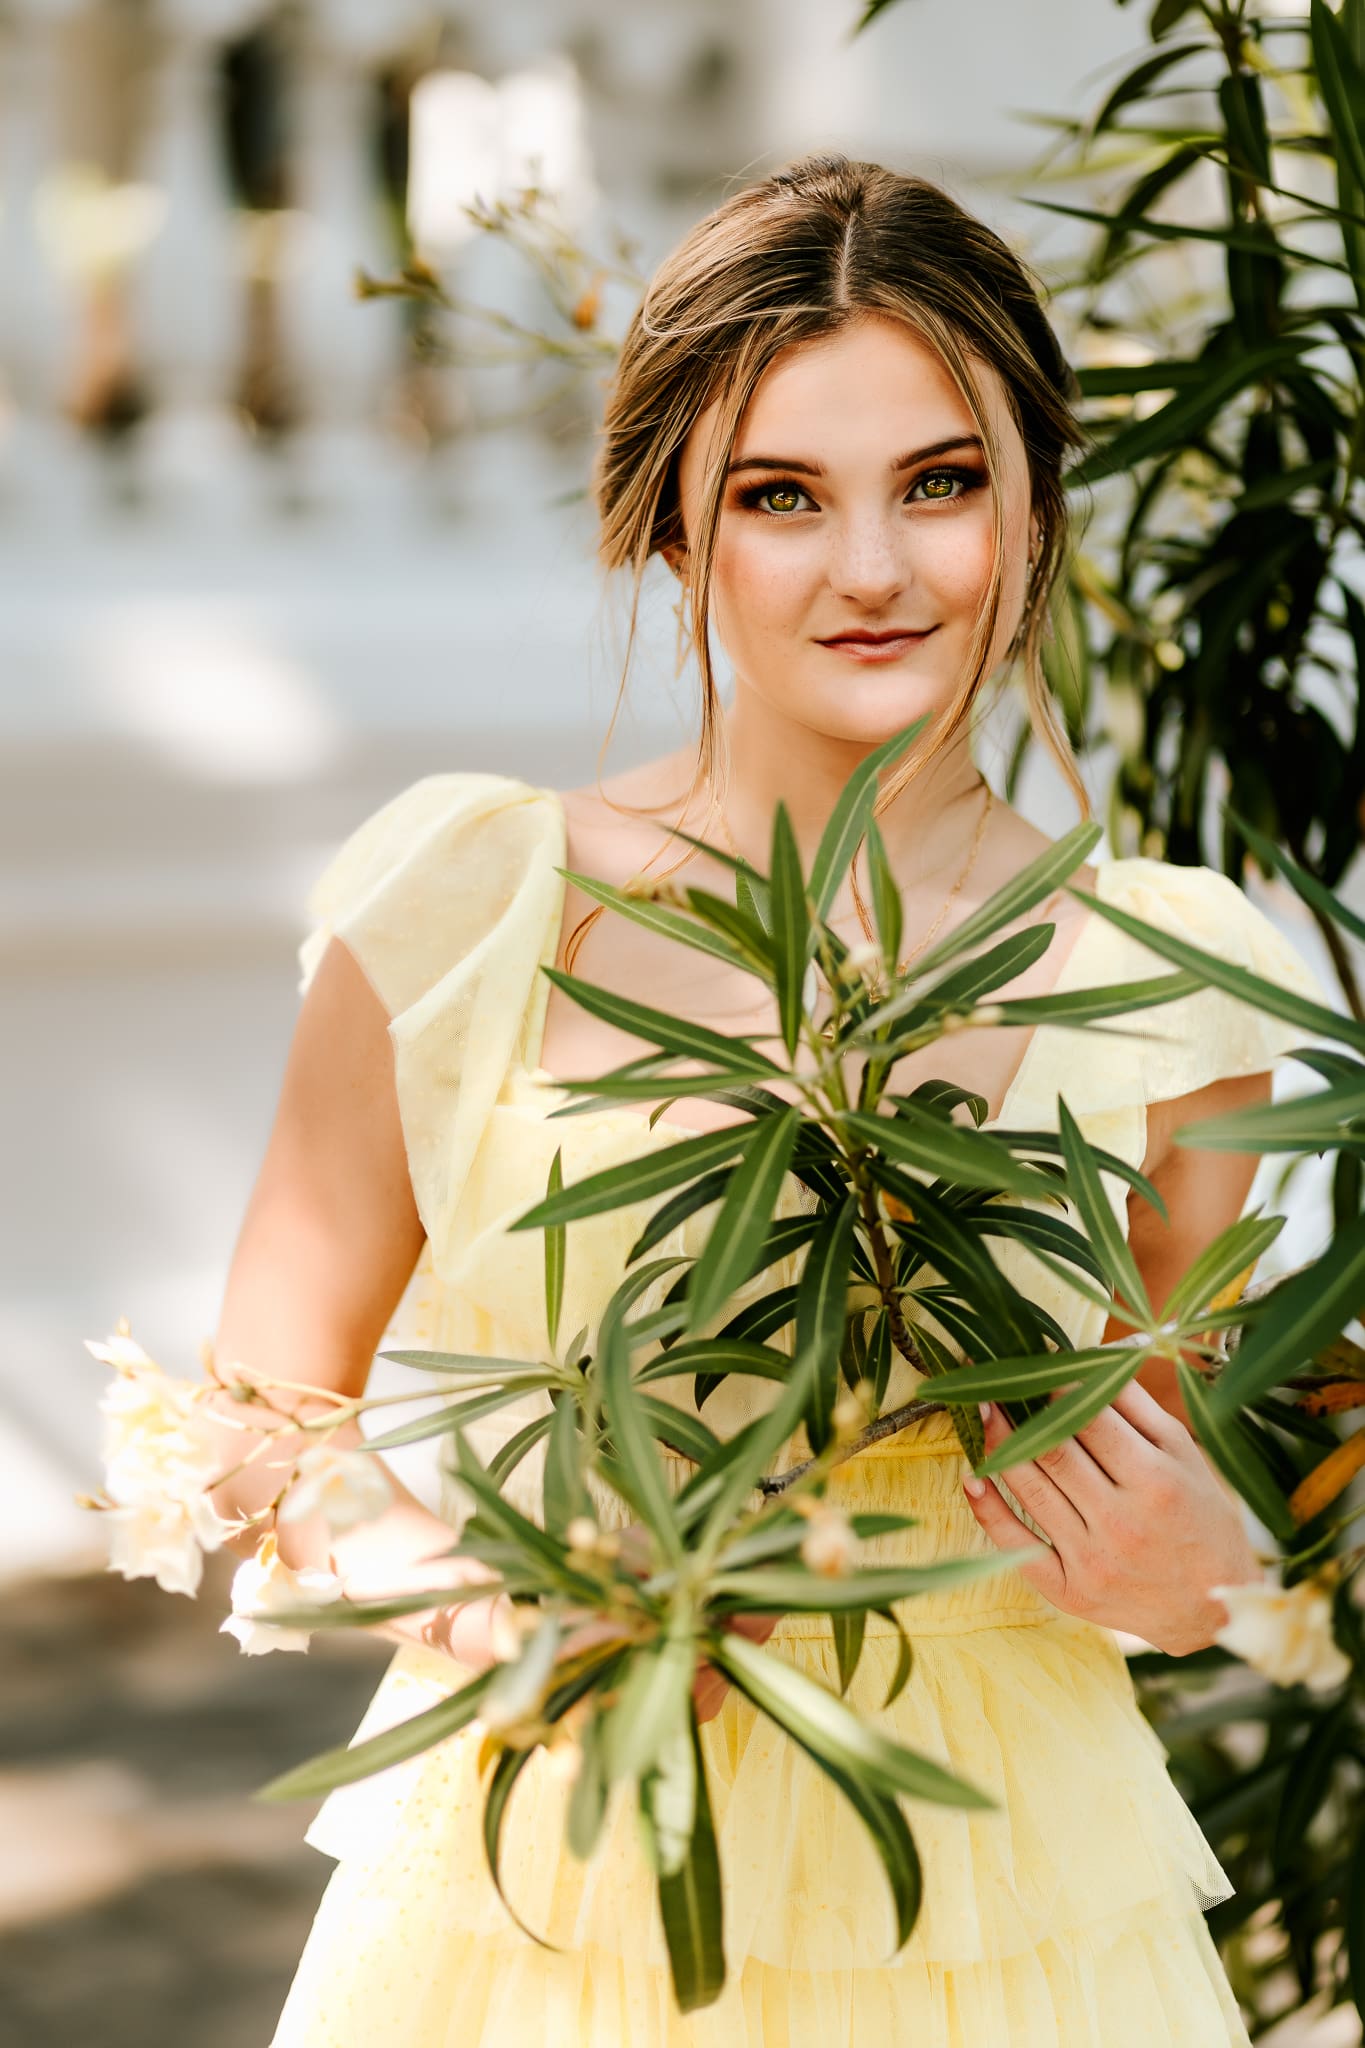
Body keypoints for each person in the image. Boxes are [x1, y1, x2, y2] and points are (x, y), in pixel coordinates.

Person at [210, 156, 1330, 2046]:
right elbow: (249, 1419)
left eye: (943, 483)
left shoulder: (1163, 977)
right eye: (781, 497)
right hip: (549, 1875)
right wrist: (464, 1583)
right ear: (668, 526)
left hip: (1009, 1891)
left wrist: (1206, 1572)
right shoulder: (474, 901)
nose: (874, 569)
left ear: (1037, 500)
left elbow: (1181, 1490)